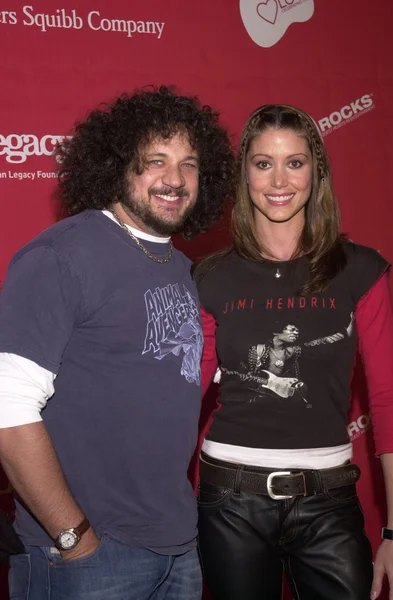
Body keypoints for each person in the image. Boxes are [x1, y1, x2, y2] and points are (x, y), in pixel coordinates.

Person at [0, 85, 234, 600]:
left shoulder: (188, 272)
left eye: (189, 163)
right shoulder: (61, 257)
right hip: (87, 558)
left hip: (178, 550)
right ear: (116, 165)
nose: (174, 179)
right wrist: (75, 539)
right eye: (155, 159)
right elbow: (8, 413)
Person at [195, 104, 393, 600]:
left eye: (295, 162)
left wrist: (392, 529)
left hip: (329, 500)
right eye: (263, 163)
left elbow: (388, 400)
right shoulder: (209, 277)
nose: (278, 179)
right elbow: (181, 396)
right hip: (230, 501)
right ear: (245, 175)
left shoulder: (361, 271)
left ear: (317, 171)